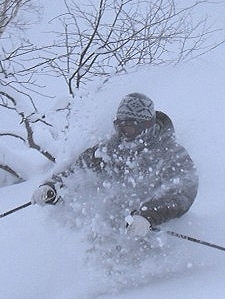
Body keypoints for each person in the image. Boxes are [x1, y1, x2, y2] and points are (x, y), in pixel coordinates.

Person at [31, 92, 198, 268]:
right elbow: (78, 172)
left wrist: (148, 216)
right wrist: (54, 187)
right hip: (112, 230)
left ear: (146, 126)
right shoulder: (109, 150)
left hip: (152, 232)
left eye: (129, 128)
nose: (123, 133)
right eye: (119, 126)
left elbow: (183, 193)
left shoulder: (171, 154)